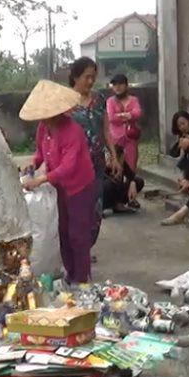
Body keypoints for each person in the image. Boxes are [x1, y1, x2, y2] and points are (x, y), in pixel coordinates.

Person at [21, 80, 97, 285]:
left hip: (80, 187)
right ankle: (70, 274)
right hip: (60, 188)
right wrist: (32, 165)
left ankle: (82, 280)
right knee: (62, 232)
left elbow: (68, 166)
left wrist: (40, 180)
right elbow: (40, 153)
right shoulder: (43, 129)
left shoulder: (73, 131)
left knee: (78, 235)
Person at [68, 57, 121, 247]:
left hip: (96, 164)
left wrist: (113, 157)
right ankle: (78, 252)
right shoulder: (64, 102)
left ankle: (86, 248)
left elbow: (106, 130)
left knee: (96, 209)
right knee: (76, 210)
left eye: (93, 77)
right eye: (86, 77)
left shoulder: (99, 99)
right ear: (75, 76)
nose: (90, 81)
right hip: (73, 166)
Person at [106, 74, 143, 172]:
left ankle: (130, 184)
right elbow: (111, 118)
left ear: (126, 85)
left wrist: (122, 115)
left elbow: (138, 113)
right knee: (115, 167)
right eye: (114, 85)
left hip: (130, 136)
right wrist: (129, 116)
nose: (117, 87)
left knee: (131, 166)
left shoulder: (134, 100)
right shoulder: (110, 101)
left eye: (120, 84)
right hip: (115, 139)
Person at [103, 144, 144, 213]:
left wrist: (132, 183)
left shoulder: (123, 164)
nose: (122, 161)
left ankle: (122, 203)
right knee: (110, 184)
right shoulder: (103, 165)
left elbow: (131, 175)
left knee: (138, 181)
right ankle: (102, 208)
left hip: (118, 189)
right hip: (106, 192)